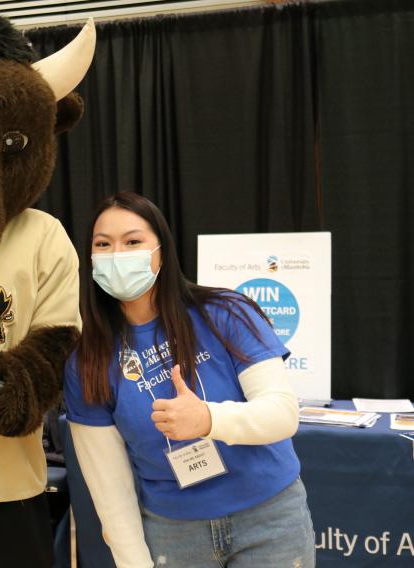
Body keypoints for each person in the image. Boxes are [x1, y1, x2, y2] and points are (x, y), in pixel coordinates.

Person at [63, 192, 315, 568]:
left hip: (268, 520)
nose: (117, 255)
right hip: (173, 533)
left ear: (162, 251)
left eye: (133, 242)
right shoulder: (88, 361)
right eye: (104, 244)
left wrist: (208, 420)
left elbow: (282, 414)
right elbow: (109, 490)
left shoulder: (226, 313)